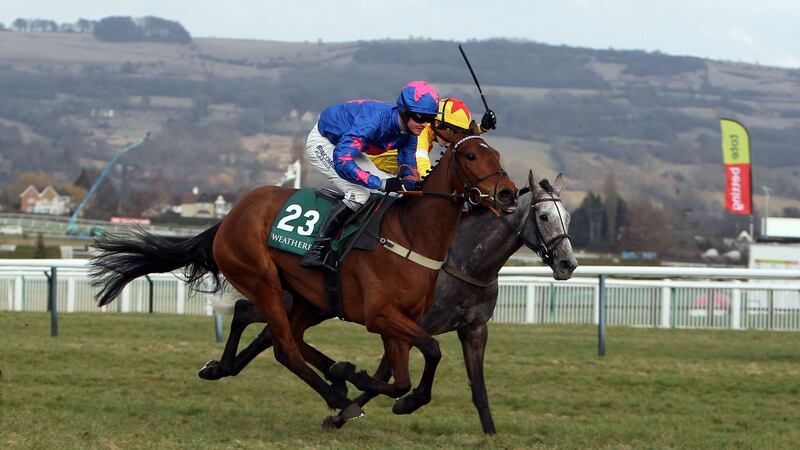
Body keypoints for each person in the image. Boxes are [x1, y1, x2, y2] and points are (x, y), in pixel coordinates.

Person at [301, 81, 440, 269]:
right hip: (326, 142)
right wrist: (381, 183)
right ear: (404, 112)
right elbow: (342, 160)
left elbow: (407, 165)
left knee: (389, 192)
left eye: (429, 119)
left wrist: (414, 184)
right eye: (420, 117)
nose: (424, 124)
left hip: (348, 145)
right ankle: (317, 250)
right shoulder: (374, 122)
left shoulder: (410, 132)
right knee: (360, 194)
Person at [369, 97, 497, 177]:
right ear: (437, 123)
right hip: (369, 165)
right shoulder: (420, 133)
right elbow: (421, 162)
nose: (451, 139)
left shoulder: (432, 128)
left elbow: (461, 138)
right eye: (452, 132)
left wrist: (482, 128)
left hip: (389, 171)